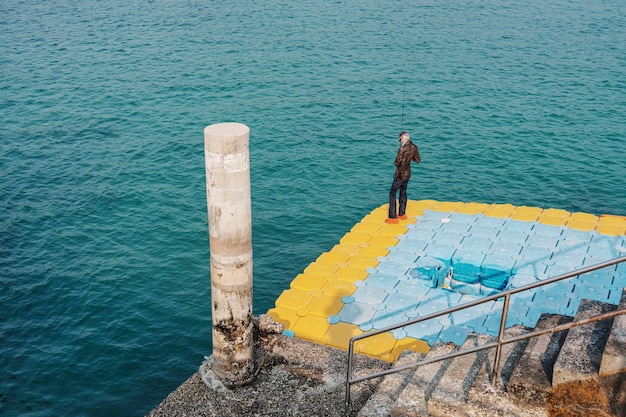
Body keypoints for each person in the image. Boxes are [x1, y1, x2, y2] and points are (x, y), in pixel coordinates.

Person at [386, 131, 421, 224]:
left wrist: (402, 159)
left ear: (403, 138)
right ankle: (402, 214)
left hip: (400, 174)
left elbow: (397, 162)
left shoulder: (402, 149)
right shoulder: (414, 147)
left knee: (392, 193)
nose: (400, 141)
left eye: (400, 139)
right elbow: (417, 160)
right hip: (407, 173)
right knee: (403, 192)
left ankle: (392, 216)